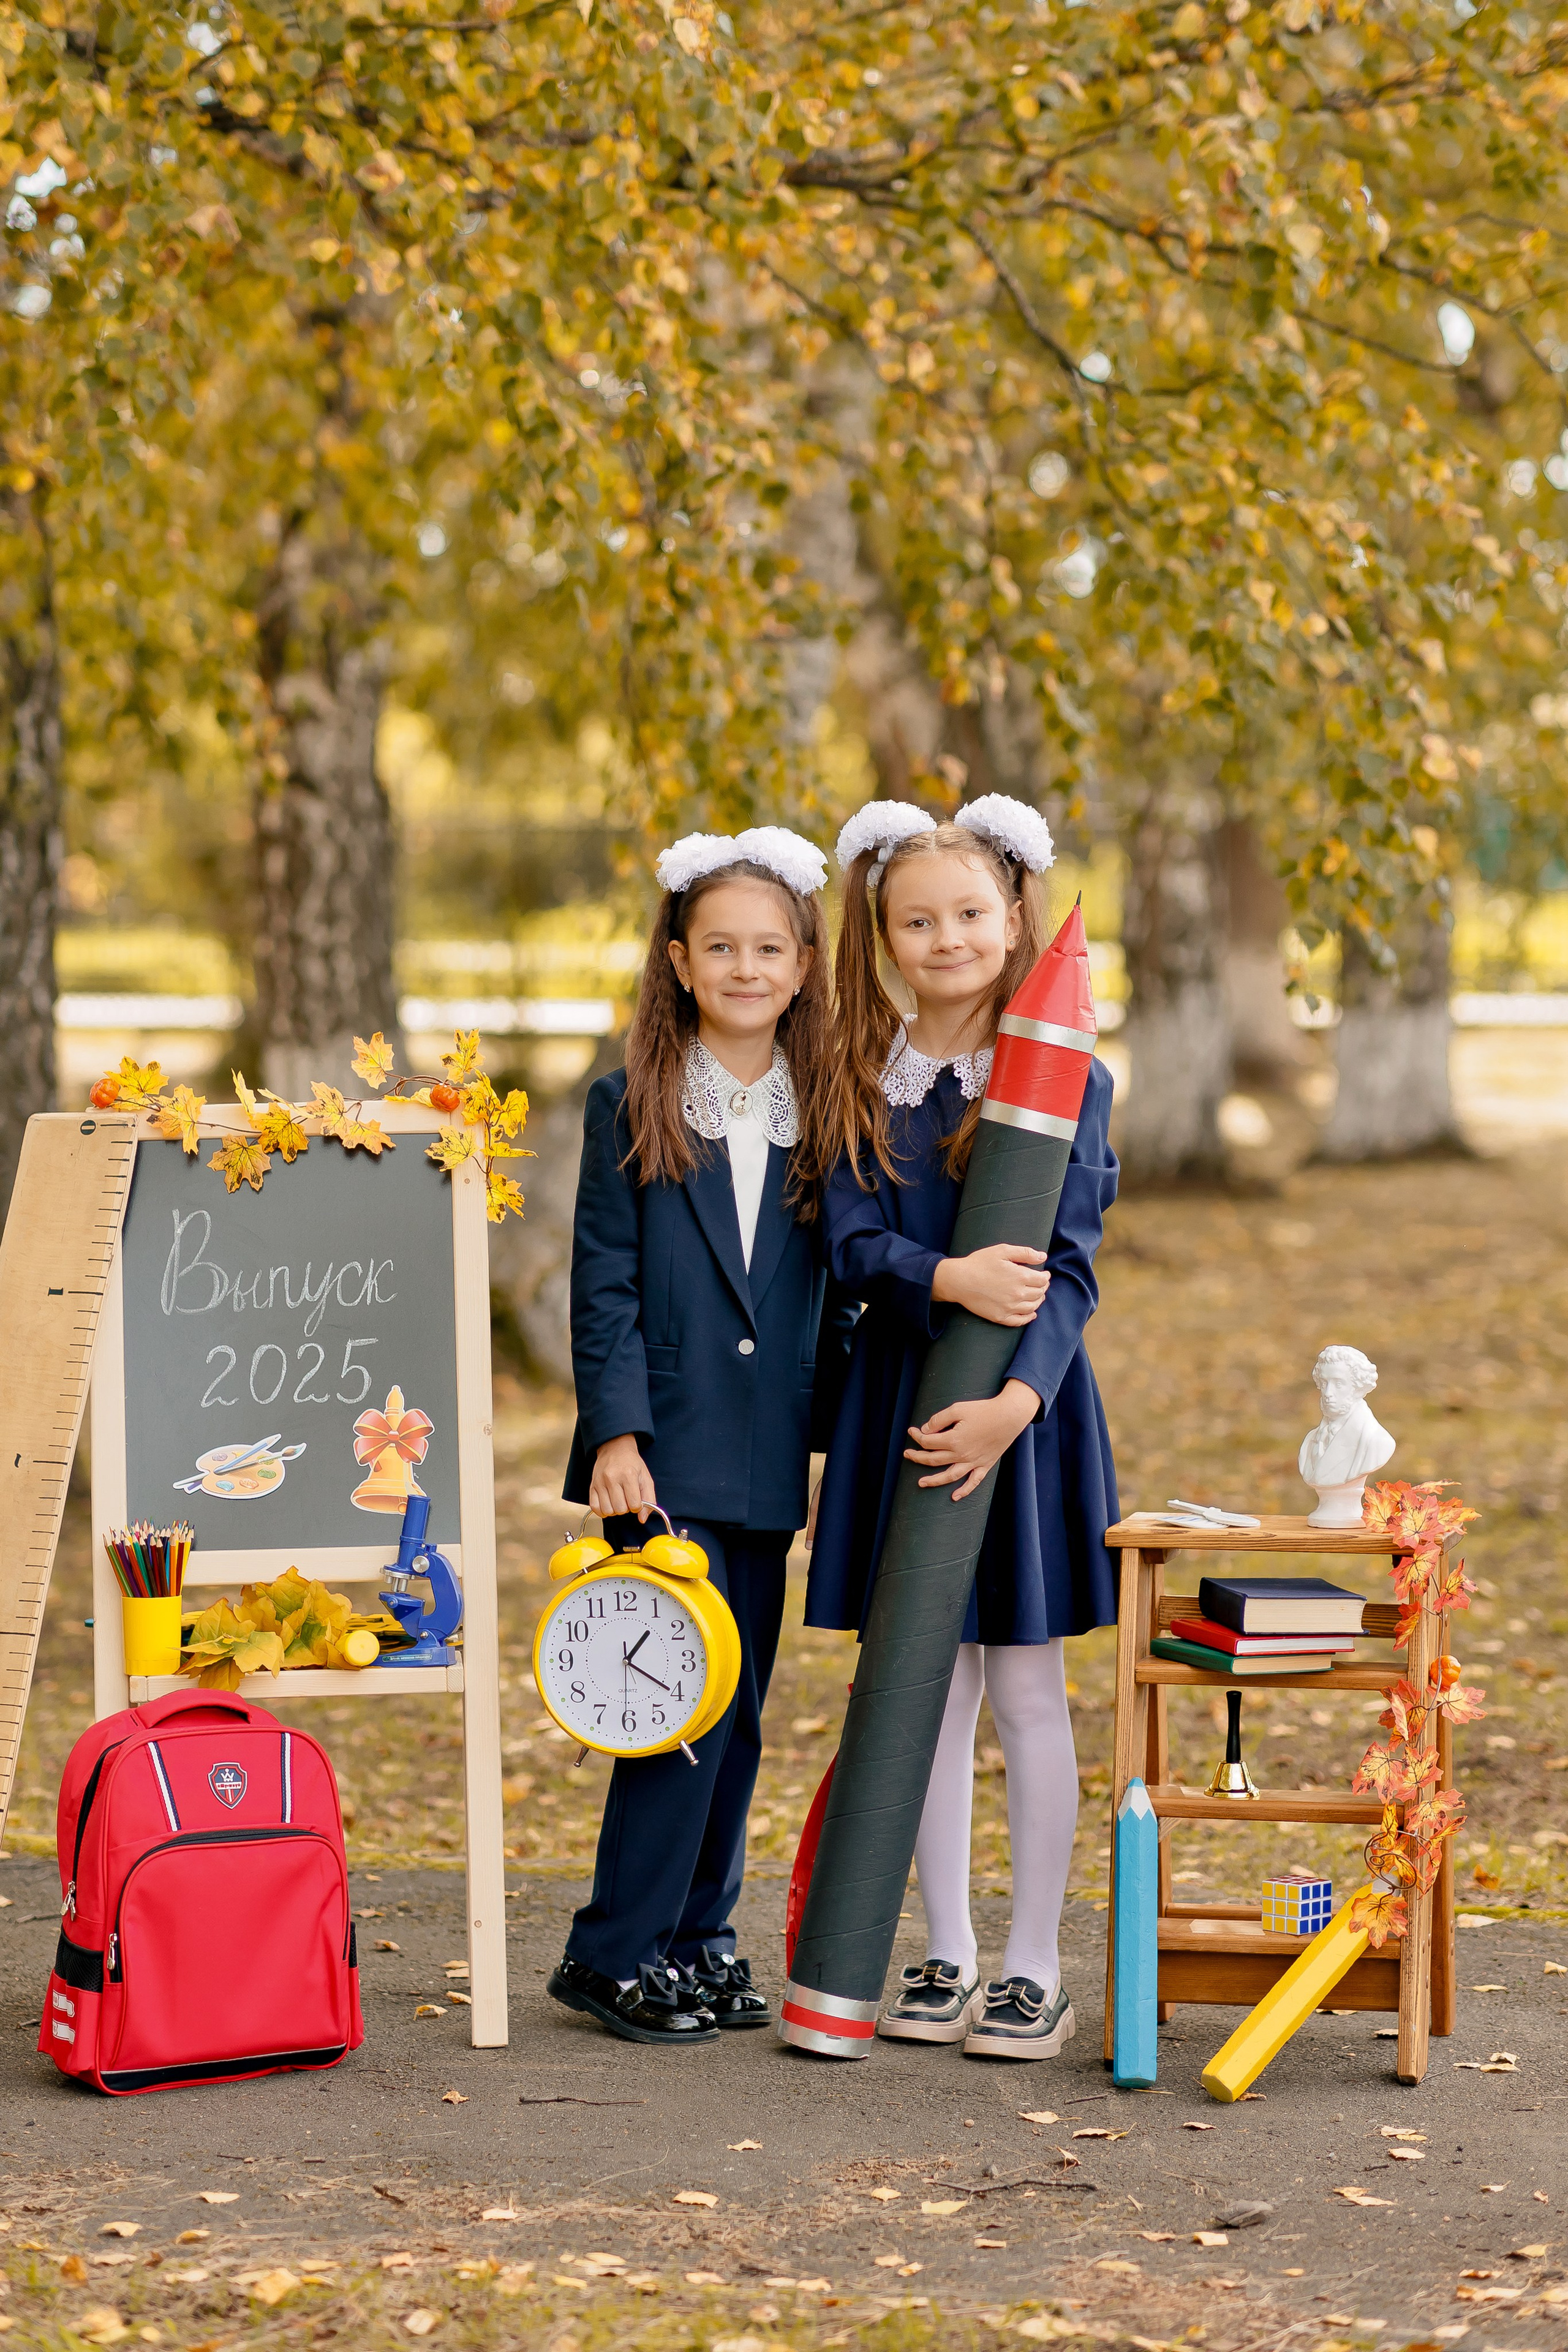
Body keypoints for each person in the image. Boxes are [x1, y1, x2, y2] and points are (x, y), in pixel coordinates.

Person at [804, 796, 1119, 2060]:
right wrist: (940, 1283)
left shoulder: (1065, 1076)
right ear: (879, 934)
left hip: (1020, 1414)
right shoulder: (854, 1076)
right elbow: (846, 1244)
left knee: (1027, 1691)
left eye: (971, 914)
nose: (947, 938)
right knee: (918, 1693)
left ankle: (1032, 1970)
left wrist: (1008, 1405)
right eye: (916, 919)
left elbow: (1074, 1269)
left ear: (1015, 918)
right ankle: (942, 1950)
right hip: (900, 1399)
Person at [551, 825, 853, 2046]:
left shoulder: (823, 1107)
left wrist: (840, 1448)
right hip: (662, 1454)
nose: (742, 966)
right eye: (718, 944)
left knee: (742, 1706)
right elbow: (603, 1280)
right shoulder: (629, 1101)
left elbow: (838, 1295)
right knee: (671, 1705)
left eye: (766, 947)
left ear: (801, 964)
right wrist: (613, 1433)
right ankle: (612, 1952)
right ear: (677, 958)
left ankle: (697, 1938)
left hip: (769, 1452)